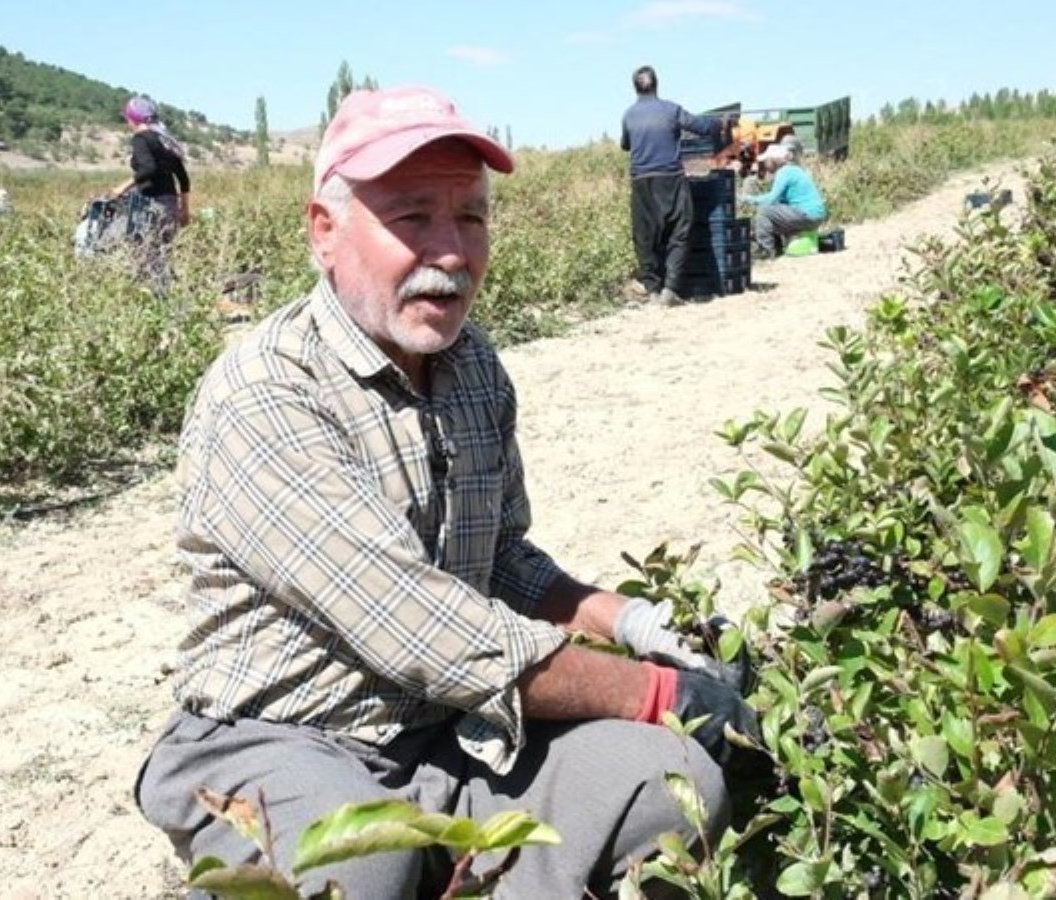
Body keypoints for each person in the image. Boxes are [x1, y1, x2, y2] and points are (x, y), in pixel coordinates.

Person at [135, 84, 768, 899]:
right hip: (282, 736)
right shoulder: (265, 393)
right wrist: (664, 691)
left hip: (446, 731)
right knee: (355, 860)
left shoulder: (473, 368)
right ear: (324, 232)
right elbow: (424, 632)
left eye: (471, 216)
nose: (451, 251)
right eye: (412, 217)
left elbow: (500, 557)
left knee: (667, 781)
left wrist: (638, 624)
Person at [620, 65, 733, 306]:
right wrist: (720, 125)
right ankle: (670, 290)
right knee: (680, 231)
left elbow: (626, 145)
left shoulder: (629, 115)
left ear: (635, 88)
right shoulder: (671, 110)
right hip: (670, 179)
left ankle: (652, 290)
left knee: (645, 237)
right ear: (657, 85)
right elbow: (701, 127)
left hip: (641, 182)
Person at [110, 95, 191, 294]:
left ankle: (157, 302)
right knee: (162, 254)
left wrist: (122, 187)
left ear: (133, 119)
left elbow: (148, 169)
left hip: (151, 204)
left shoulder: (140, 139)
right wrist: (184, 209)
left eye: (127, 118)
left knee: (145, 253)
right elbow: (183, 178)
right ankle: (165, 297)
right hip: (170, 204)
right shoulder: (165, 140)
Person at [741, 140, 827, 260]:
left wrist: (747, 199)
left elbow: (771, 199)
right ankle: (778, 247)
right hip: (815, 214)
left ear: (774, 160)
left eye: (767, 160)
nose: (765, 163)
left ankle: (766, 250)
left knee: (764, 212)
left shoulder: (784, 172)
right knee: (776, 212)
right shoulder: (795, 169)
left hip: (808, 214)